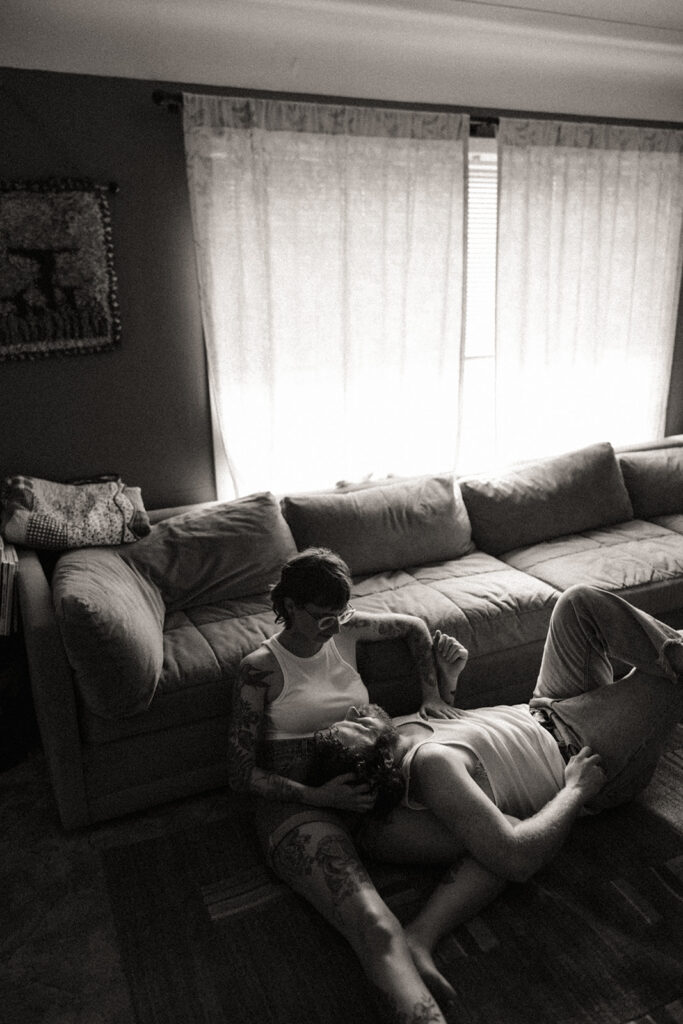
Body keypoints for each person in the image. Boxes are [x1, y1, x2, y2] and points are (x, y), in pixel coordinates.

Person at [314, 584, 683, 1005]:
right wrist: (577, 790)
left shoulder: (399, 725)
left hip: (547, 704)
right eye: (358, 730)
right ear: (376, 763)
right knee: (667, 678)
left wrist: (446, 686)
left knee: (578, 603)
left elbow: (477, 743)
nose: (356, 714)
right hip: (586, 751)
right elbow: (515, 857)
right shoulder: (430, 767)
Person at [227, 546, 467, 1024]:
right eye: (321, 617)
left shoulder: (349, 627)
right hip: (301, 802)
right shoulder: (260, 668)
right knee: (375, 926)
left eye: (340, 612)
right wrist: (319, 797)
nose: (335, 625)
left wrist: (434, 693)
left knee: (484, 841)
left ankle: (423, 938)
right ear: (290, 607)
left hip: (367, 786)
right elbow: (238, 775)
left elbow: (415, 628)